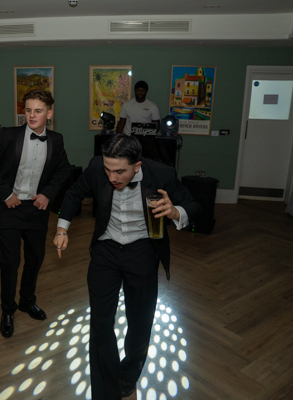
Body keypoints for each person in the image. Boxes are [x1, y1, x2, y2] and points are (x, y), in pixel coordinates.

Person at [54, 134, 200, 400]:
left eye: (120, 171)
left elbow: (193, 205)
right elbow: (74, 193)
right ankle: (106, 392)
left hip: (143, 251)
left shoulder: (162, 174)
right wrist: (62, 229)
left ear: (137, 165)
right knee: (100, 323)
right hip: (106, 250)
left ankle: (129, 374)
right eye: (108, 170)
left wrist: (176, 212)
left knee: (140, 323)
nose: (112, 177)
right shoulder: (97, 167)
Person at [0, 89, 71, 338]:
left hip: (37, 210)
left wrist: (48, 193)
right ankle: (7, 310)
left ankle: (27, 301)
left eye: (38, 111)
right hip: (9, 208)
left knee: (35, 259)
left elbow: (64, 170)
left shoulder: (56, 140)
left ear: (49, 113)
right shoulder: (9, 135)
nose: (31, 116)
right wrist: (6, 194)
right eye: (28, 110)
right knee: (10, 262)